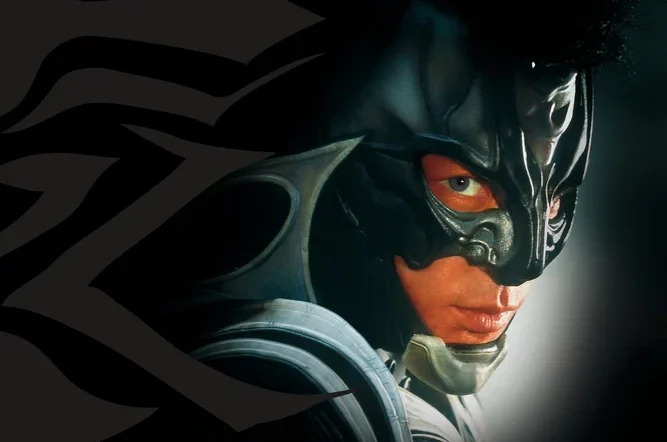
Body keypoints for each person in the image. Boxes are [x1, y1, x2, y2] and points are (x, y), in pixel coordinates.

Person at [103, 0, 641, 440]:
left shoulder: (423, 398)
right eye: (462, 184)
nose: (524, 264)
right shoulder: (290, 392)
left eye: (552, 201)